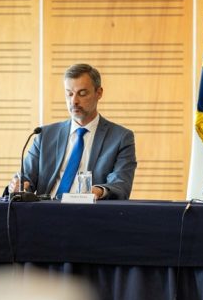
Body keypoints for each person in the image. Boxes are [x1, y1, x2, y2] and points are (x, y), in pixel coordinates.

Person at [8, 63, 136, 200]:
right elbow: (26, 177)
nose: (74, 101)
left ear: (98, 93)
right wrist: (19, 185)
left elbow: (121, 184)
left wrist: (99, 191)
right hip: (46, 208)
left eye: (82, 93)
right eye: (69, 94)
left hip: (89, 209)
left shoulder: (120, 138)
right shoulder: (44, 135)